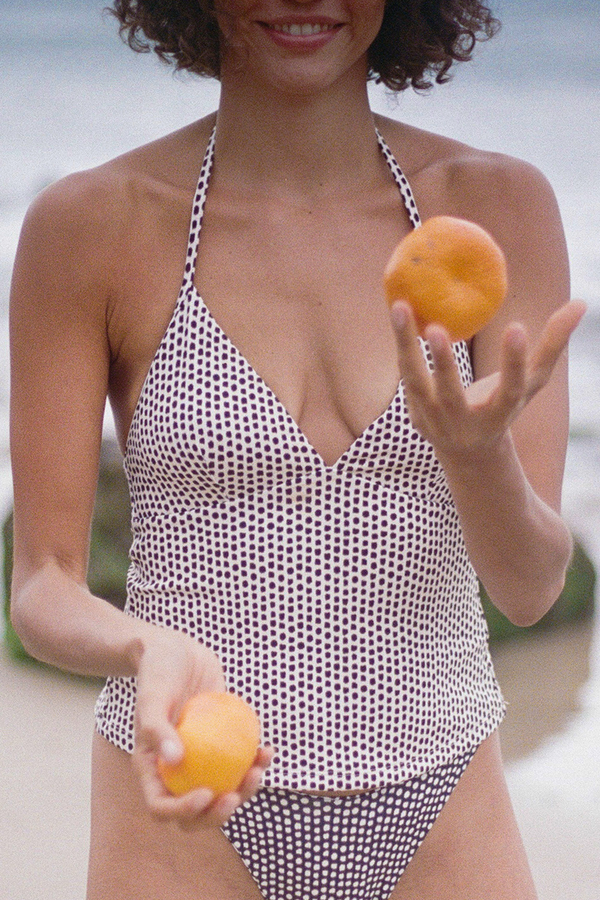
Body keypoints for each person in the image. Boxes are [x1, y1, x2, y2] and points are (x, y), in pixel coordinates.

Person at [9, 0, 585, 897]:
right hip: (184, 794)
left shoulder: (493, 208)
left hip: (442, 787)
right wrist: (140, 649)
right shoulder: (92, 225)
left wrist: (477, 455)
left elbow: (530, 586)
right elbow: (43, 584)